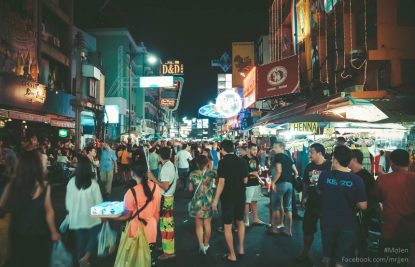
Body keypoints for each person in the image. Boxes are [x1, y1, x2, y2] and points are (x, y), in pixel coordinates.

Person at [0, 150, 60, 267]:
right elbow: (49, 212)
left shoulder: (11, 185)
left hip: (17, 233)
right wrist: (54, 232)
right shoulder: (44, 186)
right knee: (38, 261)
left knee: (19, 261)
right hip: (39, 235)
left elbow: (1, 206)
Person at [317, 145, 367, 267]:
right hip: (348, 223)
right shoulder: (357, 180)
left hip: (328, 221)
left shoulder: (324, 176)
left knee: (327, 256)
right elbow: (363, 206)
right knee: (342, 260)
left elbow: (319, 192)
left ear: (335, 159)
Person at [113, 162, 162, 266]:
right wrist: (153, 225)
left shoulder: (131, 192)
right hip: (151, 228)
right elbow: (157, 211)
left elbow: (127, 215)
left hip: (136, 230)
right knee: (149, 257)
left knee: (135, 259)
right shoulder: (156, 188)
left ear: (132, 174)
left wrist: (113, 217)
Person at [375, 149, 415, 267]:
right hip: (410, 233)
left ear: (391, 162)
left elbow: (376, 199)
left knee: (386, 262)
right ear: (409, 162)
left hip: (389, 231)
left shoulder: (382, 179)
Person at [212, 140, 248, 263]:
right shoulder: (242, 161)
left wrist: (215, 200)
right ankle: (241, 248)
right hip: (240, 196)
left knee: (227, 225)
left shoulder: (222, 162)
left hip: (227, 197)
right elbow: (245, 180)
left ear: (222, 149)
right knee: (240, 221)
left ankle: (232, 254)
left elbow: (221, 182)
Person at [66, 156, 103, 266]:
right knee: (93, 236)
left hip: (76, 217)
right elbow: (98, 203)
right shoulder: (93, 184)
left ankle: (81, 260)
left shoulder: (71, 182)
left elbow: (68, 203)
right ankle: (86, 257)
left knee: (80, 241)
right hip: (91, 217)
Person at [297, 143, 332, 261]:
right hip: (312, 203)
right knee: (307, 229)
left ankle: (327, 256)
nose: (309, 155)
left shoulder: (330, 166)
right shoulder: (309, 167)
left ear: (320, 153)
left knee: (326, 231)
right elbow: (306, 184)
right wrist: (303, 198)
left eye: (311, 152)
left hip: (326, 205)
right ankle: (305, 252)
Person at [148, 147, 177, 260]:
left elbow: (164, 186)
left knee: (166, 226)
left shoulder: (166, 168)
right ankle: (166, 247)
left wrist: (152, 178)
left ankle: (169, 252)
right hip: (169, 197)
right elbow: (175, 181)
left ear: (160, 156)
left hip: (165, 198)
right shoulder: (172, 165)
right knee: (166, 225)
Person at [349, 149, 376, 257]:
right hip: (351, 216)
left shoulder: (367, 177)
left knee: (361, 241)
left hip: (363, 216)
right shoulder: (350, 175)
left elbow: (371, 199)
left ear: (354, 159)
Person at [268, 141, 299, 236]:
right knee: (288, 208)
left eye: (276, 147)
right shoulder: (288, 157)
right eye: (273, 147)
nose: (274, 149)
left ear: (282, 148)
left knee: (276, 207)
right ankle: (288, 230)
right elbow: (296, 172)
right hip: (289, 184)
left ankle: (275, 229)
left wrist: (273, 182)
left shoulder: (278, 157)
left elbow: (279, 171)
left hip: (280, 184)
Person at [188, 155, 216, 254]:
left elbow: (190, 189)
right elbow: (218, 183)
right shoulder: (212, 173)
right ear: (207, 163)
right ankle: (206, 244)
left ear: (197, 163)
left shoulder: (192, 174)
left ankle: (200, 244)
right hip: (208, 201)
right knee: (207, 224)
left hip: (197, 202)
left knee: (198, 225)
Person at [243, 143, 265, 227]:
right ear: (248, 149)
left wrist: (259, 171)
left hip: (255, 182)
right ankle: (246, 220)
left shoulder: (256, 158)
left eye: (256, 149)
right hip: (248, 184)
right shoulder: (244, 159)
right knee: (247, 202)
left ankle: (255, 219)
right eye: (253, 149)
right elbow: (243, 173)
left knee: (254, 201)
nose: (255, 151)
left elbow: (257, 168)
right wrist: (252, 173)